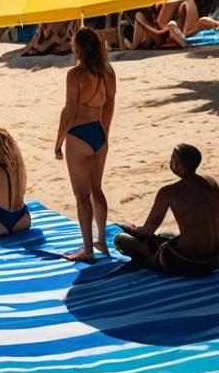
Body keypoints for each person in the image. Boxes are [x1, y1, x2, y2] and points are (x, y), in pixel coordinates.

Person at [54, 27, 116, 261]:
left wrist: (58, 142)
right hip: (99, 133)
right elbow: (109, 105)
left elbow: (69, 112)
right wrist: (105, 134)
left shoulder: (75, 74)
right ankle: (102, 241)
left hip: (79, 135)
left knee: (81, 195)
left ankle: (87, 249)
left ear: (78, 47)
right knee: (97, 189)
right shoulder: (108, 72)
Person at [115, 144, 219, 277]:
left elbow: (147, 232)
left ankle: (148, 256)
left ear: (176, 165)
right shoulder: (211, 182)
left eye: (172, 160)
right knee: (165, 236)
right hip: (212, 260)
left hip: (187, 262)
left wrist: (128, 227)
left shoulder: (168, 192)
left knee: (121, 239)